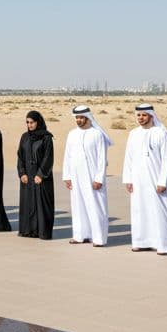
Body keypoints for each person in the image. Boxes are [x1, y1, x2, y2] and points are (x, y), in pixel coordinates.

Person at [122, 104, 167, 253]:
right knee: (140, 210)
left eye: (144, 115)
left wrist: (162, 181)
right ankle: (141, 241)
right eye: (138, 115)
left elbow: (166, 159)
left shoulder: (161, 133)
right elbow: (129, 157)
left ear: (151, 116)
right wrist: (128, 179)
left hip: (156, 180)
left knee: (160, 210)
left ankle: (163, 245)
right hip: (138, 180)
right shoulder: (133, 133)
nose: (141, 118)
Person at [63, 105, 111, 246]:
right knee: (78, 206)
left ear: (88, 117)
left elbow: (102, 159)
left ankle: (98, 238)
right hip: (76, 176)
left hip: (92, 177)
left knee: (95, 206)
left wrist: (99, 178)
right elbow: (67, 156)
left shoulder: (97, 134)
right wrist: (67, 176)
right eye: (77, 117)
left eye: (81, 117)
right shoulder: (72, 134)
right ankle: (80, 235)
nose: (78, 120)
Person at [17, 110, 55, 239]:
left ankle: (41, 232)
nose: (29, 125)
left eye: (32, 122)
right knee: (28, 203)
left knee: (41, 204)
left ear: (38, 122)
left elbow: (48, 157)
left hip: (41, 178)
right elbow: (20, 156)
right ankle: (28, 230)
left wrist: (41, 174)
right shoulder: (24, 137)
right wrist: (22, 173)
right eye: (27, 122)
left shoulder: (46, 137)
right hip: (27, 177)